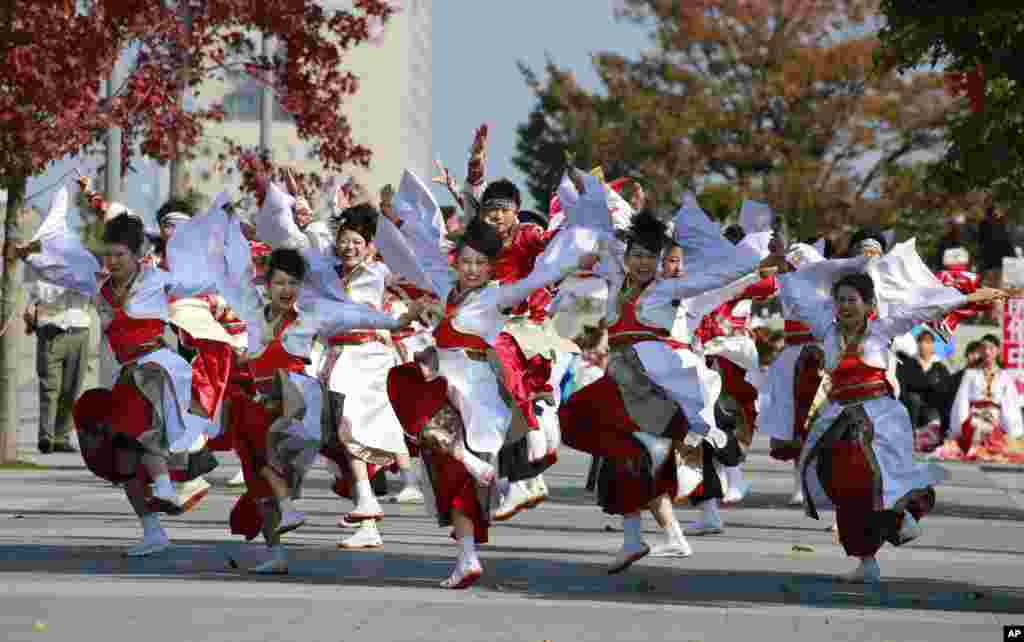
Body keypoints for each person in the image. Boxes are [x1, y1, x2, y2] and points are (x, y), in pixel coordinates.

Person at [379, 169, 595, 588]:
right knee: (433, 451)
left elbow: (538, 277)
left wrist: (578, 252)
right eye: (466, 262)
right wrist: (397, 218)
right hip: (442, 381)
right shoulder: (446, 290)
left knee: (448, 459)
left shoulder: (498, 294)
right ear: (456, 263)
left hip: (475, 390)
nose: (473, 269)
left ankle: (473, 521)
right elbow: (422, 251)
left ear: (490, 265)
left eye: (481, 263)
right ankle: (466, 555)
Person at [558, 190, 784, 573]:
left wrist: (759, 265)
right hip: (620, 376)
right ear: (627, 258)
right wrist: (585, 185)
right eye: (637, 255)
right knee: (615, 457)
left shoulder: (668, 290)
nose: (643, 262)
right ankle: (635, 539)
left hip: (650, 383)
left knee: (605, 432)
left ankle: (699, 445)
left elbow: (720, 279)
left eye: (651, 257)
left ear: (660, 261)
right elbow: (605, 226)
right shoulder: (617, 285)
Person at [778, 239, 1004, 582]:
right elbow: (797, 294)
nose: (845, 307)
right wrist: (786, 264)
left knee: (875, 482)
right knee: (842, 485)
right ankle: (867, 559)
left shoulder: (882, 328)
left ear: (869, 304)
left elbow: (925, 310)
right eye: (839, 300)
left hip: (879, 418)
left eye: (852, 301)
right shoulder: (826, 328)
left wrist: (973, 297)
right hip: (839, 414)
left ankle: (899, 519)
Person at [17, 186, 224, 557]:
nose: (113, 262)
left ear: (138, 255)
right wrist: (28, 254)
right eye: (108, 255)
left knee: (139, 424)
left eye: (121, 255)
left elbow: (200, 284)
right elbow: (61, 270)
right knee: (125, 462)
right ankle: (152, 530)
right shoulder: (100, 287)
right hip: (128, 372)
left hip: (159, 369)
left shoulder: (157, 280)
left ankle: (164, 481)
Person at [226, 247, 422, 573]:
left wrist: (398, 320)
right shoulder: (254, 315)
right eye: (279, 283)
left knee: (267, 452)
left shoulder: (312, 315)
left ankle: (322, 507)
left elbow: (356, 315)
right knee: (259, 479)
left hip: (299, 405)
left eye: (293, 283)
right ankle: (276, 553)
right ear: (267, 285)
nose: (286, 290)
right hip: (262, 405)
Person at [23, 267, 91, 454]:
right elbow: (43, 293)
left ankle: (61, 436)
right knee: (50, 388)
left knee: (72, 388)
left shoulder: (87, 270)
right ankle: (46, 436)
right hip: (51, 334)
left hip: (79, 333)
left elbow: (94, 291)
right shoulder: (47, 273)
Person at [936, 334, 1024, 461]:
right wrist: (958, 427)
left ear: (998, 351)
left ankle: (984, 449)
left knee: (995, 433)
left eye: (991, 348)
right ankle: (979, 448)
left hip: (995, 418)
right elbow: (961, 400)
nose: (987, 352)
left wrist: (1012, 429)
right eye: (984, 348)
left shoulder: (1005, 376)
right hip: (974, 417)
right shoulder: (970, 373)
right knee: (978, 427)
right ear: (980, 351)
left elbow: (1010, 404)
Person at [895, 331, 952, 452]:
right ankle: (910, 437)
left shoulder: (939, 367)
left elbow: (945, 390)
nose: (923, 345)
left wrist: (931, 386)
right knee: (913, 399)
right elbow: (903, 386)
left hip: (931, 407)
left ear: (932, 345)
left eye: (927, 342)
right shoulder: (908, 364)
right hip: (910, 407)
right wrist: (929, 383)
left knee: (932, 422)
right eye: (921, 341)